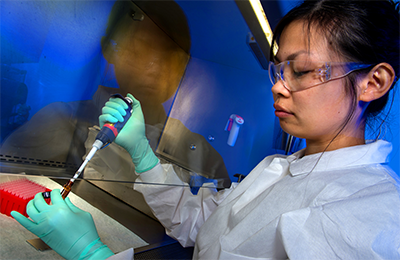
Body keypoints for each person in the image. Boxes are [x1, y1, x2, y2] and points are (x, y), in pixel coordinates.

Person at [12, 0, 400, 259]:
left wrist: (90, 252)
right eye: (279, 69)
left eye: (300, 70)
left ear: (373, 81)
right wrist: (144, 156)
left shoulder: (372, 216)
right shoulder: (279, 168)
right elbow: (203, 225)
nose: (278, 86)